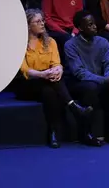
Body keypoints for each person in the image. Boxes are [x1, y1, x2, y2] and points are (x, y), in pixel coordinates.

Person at [15, 9, 93, 148]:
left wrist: (58, 70)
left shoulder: (50, 41)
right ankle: (74, 108)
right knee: (51, 85)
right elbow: (24, 69)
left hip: (47, 82)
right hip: (27, 83)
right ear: (28, 25)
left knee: (49, 92)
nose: (42, 23)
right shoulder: (19, 44)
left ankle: (53, 132)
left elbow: (57, 63)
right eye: (37, 21)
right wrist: (42, 74)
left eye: (42, 20)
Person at [64, 11, 109, 147]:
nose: (95, 27)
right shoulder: (70, 45)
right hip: (78, 83)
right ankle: (86, 133)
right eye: (90, 25)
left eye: (94, 24)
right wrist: (104, 80)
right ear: (80, 28)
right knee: (91, 87)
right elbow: (79, 72)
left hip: (100, 80)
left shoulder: (103, 42)